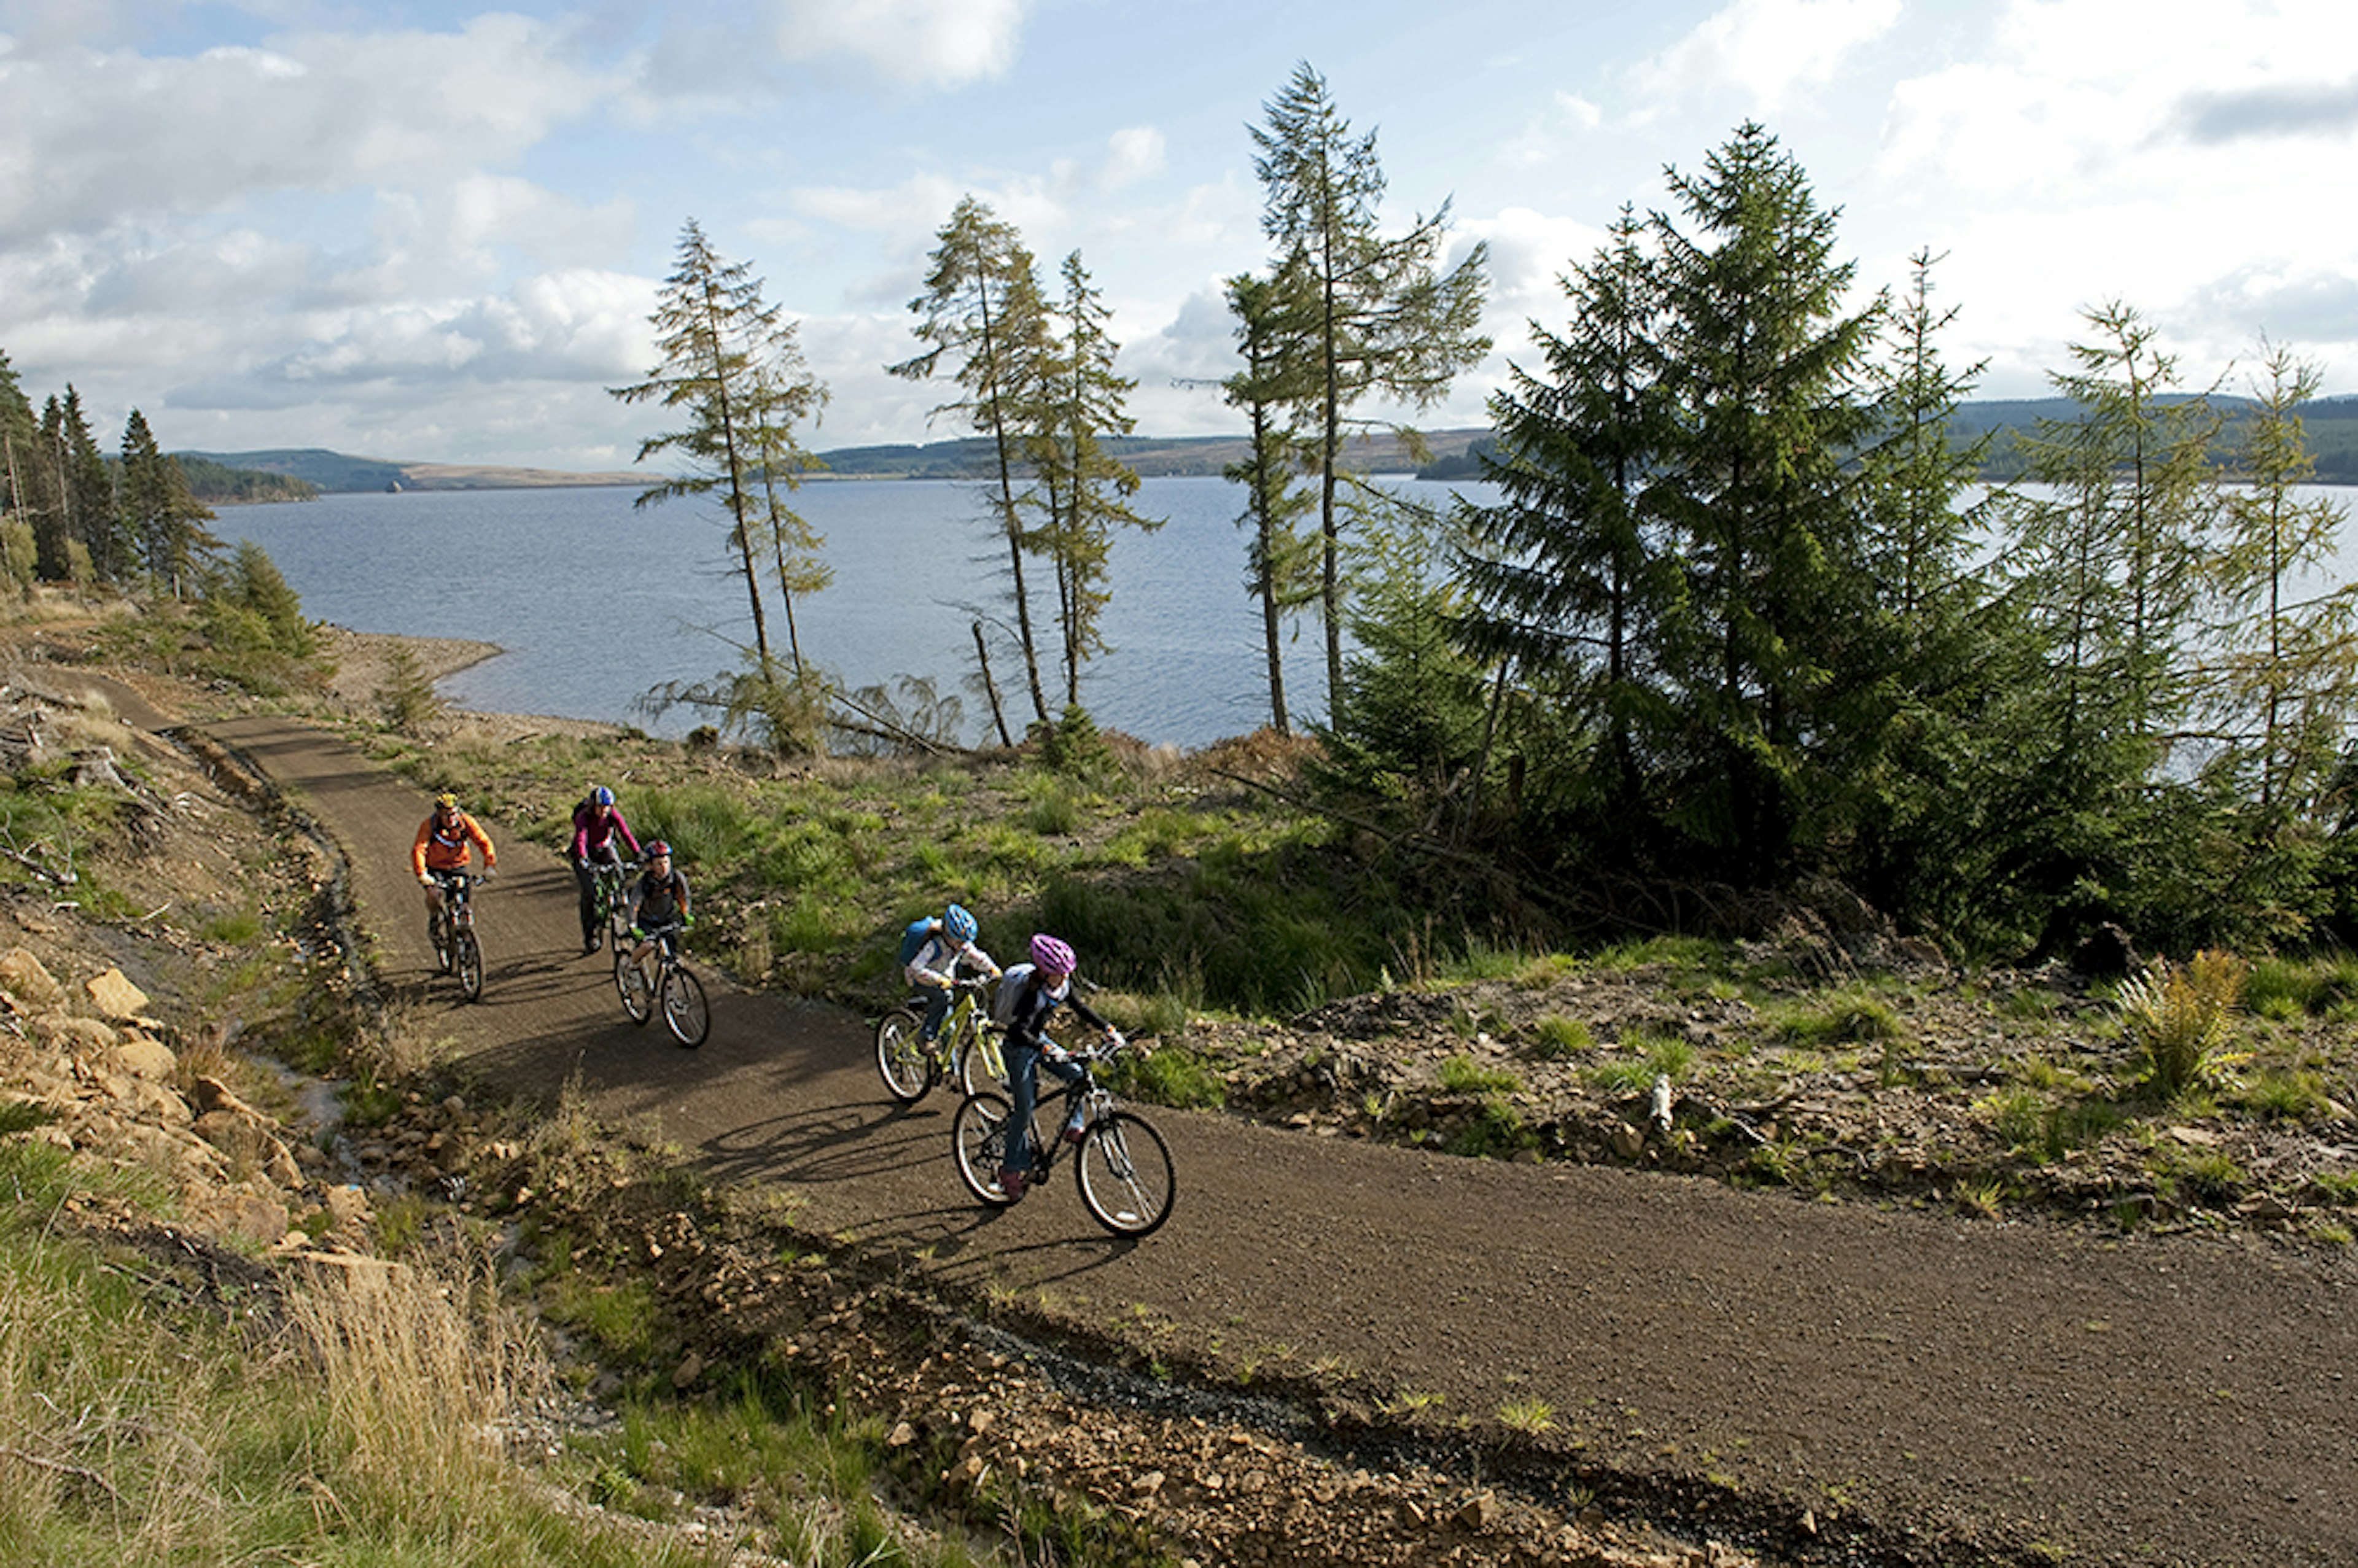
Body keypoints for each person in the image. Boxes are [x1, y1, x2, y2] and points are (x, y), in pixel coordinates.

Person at [995, 933, 1121, 1201]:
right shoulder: (1031, 994)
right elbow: (1018, 1031)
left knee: (1077, 1076)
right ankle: (1010, 1170)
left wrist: (1107, 1028)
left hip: (1039, 1043)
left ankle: (1073, 1128)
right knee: (1025, 1108)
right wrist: (1045, 1048)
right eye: (1058, 975)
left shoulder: (1061, 986)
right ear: (1044, 972)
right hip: (1018, 1050)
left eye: (1066, 974)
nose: (1064, 980)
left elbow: (1080, 1007)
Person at [902, 902, 1000, 1054]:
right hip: (920, 980)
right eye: (960, 942)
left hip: (945, 982)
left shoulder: (961, 945)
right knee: (942, 998)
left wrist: (992, 969)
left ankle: (950, 1070)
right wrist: (938, 979)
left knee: (950, 1029)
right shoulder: (934, 945)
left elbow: (976, 957)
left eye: (965, 942)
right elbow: (916, 968)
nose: (963, 946)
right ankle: (925, 1037)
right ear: (947, 935)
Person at [411, 791, 496, 939]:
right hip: (436, 867)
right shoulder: (429, 826)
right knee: (435, 894)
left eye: (453, 814)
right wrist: (422, 873)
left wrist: (489, 866)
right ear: (439, 815)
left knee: (464, 902)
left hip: (458, 866)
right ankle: (435, 920)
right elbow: (419, 849)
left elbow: (484, 842)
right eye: (446, 815)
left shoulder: (466, 823)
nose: (451, 818)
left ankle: (465, 939)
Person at [569, 784, 643, 953]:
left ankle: (620, 901)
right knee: (591, 894)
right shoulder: (583, 817)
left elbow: (625, 833)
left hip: (604, 848)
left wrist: (638, 852)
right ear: (593, 806)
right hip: (585, 854)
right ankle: (591, 935)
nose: (604, 811)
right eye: (601, 807)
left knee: (619, 871)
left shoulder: (612, 815)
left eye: (607, 807)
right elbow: (581, 837)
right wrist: (582, 858)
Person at [623, 840, 693, 967]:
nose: (664, 867)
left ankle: (669, 983)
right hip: (647, 921)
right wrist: (632, 926)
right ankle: (630, 967)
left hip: (667, 918)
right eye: (659, 864)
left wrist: (686, 913)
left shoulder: (676, 877)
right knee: (648, 946)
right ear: (651, 866)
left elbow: (683, 897)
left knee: (672, 954)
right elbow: (634, 903)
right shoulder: (645, 882)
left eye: (666, 862)